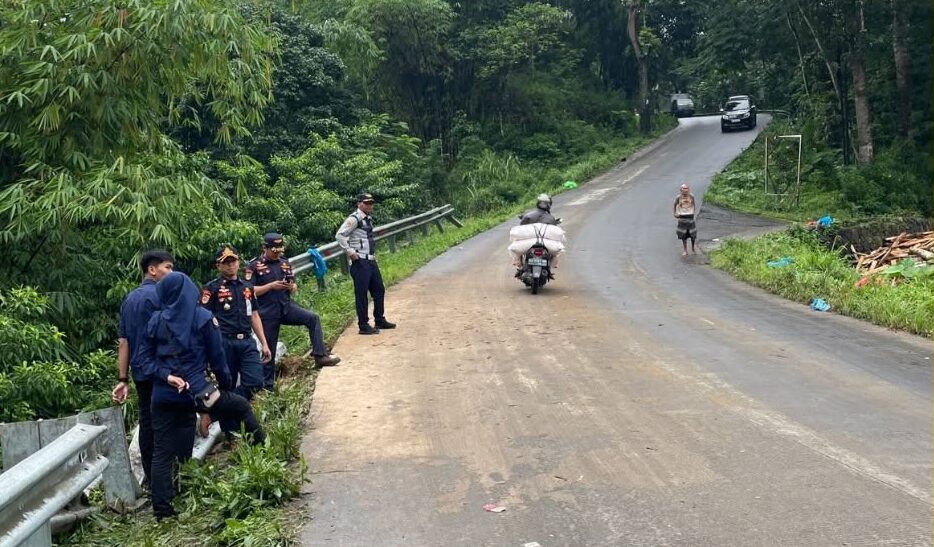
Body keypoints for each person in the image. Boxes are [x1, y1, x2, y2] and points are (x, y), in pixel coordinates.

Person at [141, 271, 265, 519]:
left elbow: (143, 361)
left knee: (162, 451)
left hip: (163, 395)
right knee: (240, 406)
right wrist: (224, 385)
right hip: (196, 393)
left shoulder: (155, 320)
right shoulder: (203, 317)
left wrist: (166, 376)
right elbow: (218, 360)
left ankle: (163, 510)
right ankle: (264, 454)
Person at [111, 249, 175, 489]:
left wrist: (123, 378)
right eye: (167, 267)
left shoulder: (129, 299)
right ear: (152, 269)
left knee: (147, 422)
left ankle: (151, 479)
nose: (171, 273)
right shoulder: (162, 296)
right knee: (168, 423)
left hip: (140, 373)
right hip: (164, 371)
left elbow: (124, 342)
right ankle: (168, 480)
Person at [247, 233, 340, 388]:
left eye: (279, 250)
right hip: (267, 312)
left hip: (286, 307)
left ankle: (320, 355)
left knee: (312, 318)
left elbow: (293, 283)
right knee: (269, 348)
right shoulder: (254, 266)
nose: (277, 253)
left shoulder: (284, 262)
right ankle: (267, 385)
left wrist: (292, 287)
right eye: (274, 251)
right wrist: (270, 286)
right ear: (264, 248)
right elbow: (249, 291)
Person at [199, 245, 272, 436]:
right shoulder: (211, 288)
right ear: (218, 266)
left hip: (247, 341)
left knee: (255, 382)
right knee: (227, 386)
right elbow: (203, 319)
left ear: (239, 262)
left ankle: (212, 411)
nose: (231, 265)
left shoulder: (247, 287)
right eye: (226, 262)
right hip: (224, 343)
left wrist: (263, 343)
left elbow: (254, 315)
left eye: (233, 261)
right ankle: (231, 435)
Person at [335, 192, 396, 335]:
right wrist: (350, 251)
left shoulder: (367, 219)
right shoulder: (354, 218)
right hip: (360, 261)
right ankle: (363, 324)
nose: (369, 205)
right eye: (366, 203)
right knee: (361, 294)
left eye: (371, 203)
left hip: (370, 260)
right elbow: (339, 235)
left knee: (379, 289)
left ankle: (379, 319)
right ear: (359, 203)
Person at [673, 183, 698, 255]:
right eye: (684, 189)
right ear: (681, 190)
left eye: (686, 189)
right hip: (682, 217)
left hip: (690, 217)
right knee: (683, 234)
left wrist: (693, 212)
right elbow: (674, 205)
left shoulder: (691, 196)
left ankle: (693, 248)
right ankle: (685, 250)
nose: (685, 190)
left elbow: (693, 204)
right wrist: (674, 213)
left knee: (693, 234)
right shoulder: (678, 197)